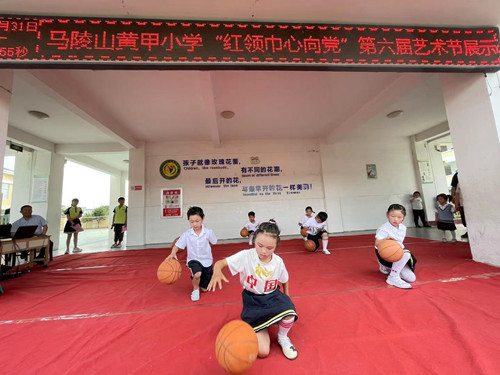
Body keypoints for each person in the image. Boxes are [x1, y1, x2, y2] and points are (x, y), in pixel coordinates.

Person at [208, 222, 298, 360]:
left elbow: (285, 279)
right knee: (263, 352)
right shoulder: (245, 256)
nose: (263, 251)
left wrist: (287, 296)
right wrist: (217, 271)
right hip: (253, 300)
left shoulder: (278, 261)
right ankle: (263, 324)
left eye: (270, 248)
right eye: (260, 245)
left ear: (276, 246)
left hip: (273, 297)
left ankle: (283, 337)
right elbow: (221, 263)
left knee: (290, 311)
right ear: (254, 240)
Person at [166, 206, 217, 302]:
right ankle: (195, 289)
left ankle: (200, 283)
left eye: (197, 221)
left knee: (205, 289)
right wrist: (173, 253)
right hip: (193, 259)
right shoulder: (187, 234)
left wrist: (210, 237)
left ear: (202, 219)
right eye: (191, 221)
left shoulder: (208, 232)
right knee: (197, 274)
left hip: (207, 260)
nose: (194, 224)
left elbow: (214, 242)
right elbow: (177, 245)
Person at [375, 204, 417, 289]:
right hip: (384, 253)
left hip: (397, 252)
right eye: (392, 216)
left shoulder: (403, 228)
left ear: (403, 217)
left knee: (411, 278)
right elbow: (377, 243)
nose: (395, 219)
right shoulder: (383, 229)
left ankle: (389, 268)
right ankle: (393, 277)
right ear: (387, 214)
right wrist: (385, 239)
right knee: (406, 254)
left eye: (399, 217)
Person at [451, 172, 468, 239]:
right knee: (464, 219)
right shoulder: (457, 175)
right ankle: (468, 231)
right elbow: (454, 189)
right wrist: (455, 201)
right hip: (462, 203)